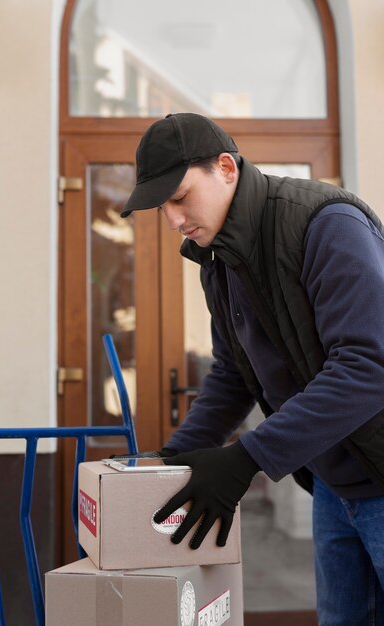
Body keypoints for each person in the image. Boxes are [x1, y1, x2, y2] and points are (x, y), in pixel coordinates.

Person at [120, 112, 384, 625]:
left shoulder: (326, 224)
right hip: (336, 483)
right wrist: (180, 454)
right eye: (163, 207)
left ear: (225, 168)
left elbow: (369, 366)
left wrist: (247, 458)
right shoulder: (217, 260)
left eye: (179, 197)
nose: (173, 219)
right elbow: (234, 372)